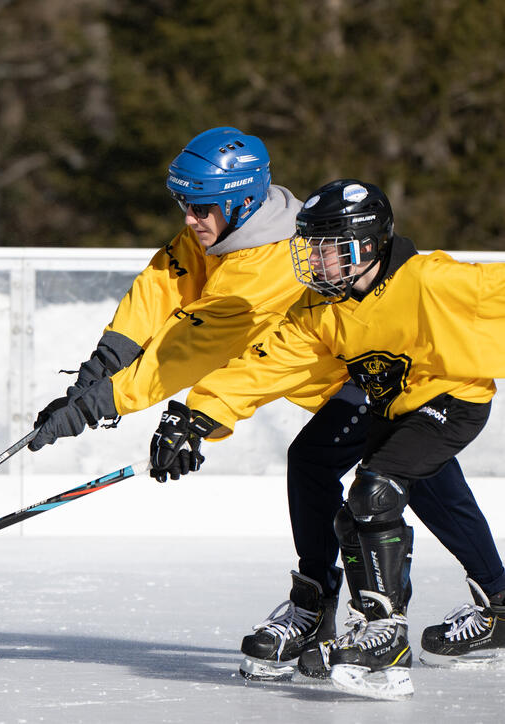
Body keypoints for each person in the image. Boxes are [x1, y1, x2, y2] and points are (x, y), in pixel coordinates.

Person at [28, 130, 505, 682]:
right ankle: (490, 603)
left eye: (200, 206)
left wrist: (105, 404)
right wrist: (119, 375)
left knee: (361, 483)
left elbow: (189, 348)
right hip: (372, 384)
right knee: (400, 479)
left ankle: (346, 619)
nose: (188, 218)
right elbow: (187, 304)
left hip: (410, 385)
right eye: (182, 203)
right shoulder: (275, 263)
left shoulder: (300, 273)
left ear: (239, 200)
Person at [149, 178, 505, 699]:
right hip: (389, 407)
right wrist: (195, 415)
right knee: (337, 489)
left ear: (367, 245)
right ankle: (328, 612)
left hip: (451, 400)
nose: (314, 261)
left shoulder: (434, 280)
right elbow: (263, 365)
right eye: (310, 247)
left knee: (375, 490)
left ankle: (386, 634)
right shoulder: (320, 308)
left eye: (327, 247)